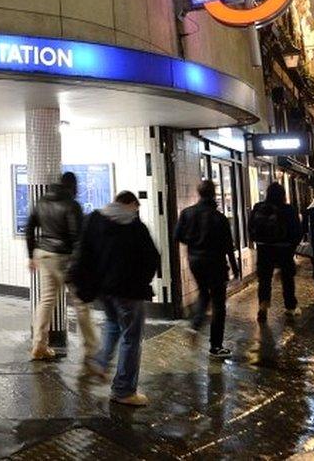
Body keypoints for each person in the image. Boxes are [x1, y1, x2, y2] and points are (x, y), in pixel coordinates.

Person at [71, 191, 159, 407]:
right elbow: (152, 258)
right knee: (131, 336)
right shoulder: (135, 226)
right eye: (135, 208)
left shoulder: (93, 220)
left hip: (103, 289)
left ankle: (100, 362)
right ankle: (124, 389)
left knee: (113, 324)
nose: (135, 212)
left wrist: (86, 284)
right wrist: (142, 282)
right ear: (130, 204)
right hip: (128, 290)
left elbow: (83, 252)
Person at [25, 172, 98, 366]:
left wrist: (31, 254)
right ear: (73, 186)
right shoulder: (71, 204)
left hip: (44, 254)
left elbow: (29, 227)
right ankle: (91, 349)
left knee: (47, 300)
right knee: (80, 302)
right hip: (64, 256)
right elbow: (77, 237)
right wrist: (79, 262)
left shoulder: (41, 201)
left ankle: (39, 345)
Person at [174, 180, 239, 359]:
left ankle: (195, 324)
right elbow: (228, 246)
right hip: (216, 263)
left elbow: (177, 235)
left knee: (203, 293)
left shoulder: (187, 213)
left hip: (195, 261)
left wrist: (194, 242)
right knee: (219, 304)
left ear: (199, 193)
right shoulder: (220, 218)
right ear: (213, 193)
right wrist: (235, 269)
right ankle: (216, 347)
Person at [249, 182, 301, 321]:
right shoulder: (288, 209)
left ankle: (263, 307)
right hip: (284, 249)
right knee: (287, 279)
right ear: (283, 195)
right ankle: (290, 307)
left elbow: (251, 227)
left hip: (264, 249)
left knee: (264, 279)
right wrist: (292, 246)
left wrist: (258, 242)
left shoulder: (258, 207)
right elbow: (297, 231)